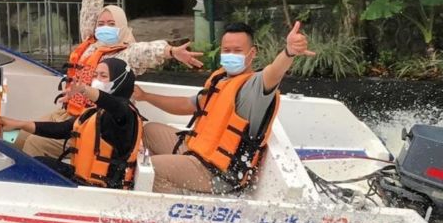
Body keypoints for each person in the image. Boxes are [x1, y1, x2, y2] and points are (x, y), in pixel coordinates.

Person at [16, 0, 203, 158]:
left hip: (95, 120)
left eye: (111, 23)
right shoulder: (90, 43)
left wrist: (170, 51)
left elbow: (146, 51)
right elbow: (89, 10)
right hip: (67, 112)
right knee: (21, 135)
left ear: (121, 27)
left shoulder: (124, 55)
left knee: (35, 144)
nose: (104, 27)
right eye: (101, 23)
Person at [133, 21, 315, 195]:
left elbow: (274, 73)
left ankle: (173, 211)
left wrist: (289, 52)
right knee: (147, 131)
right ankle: (170, 181)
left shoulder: (254, 88)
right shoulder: (221, 79)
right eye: (227, 50)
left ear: (252, 53)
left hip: (218, 173)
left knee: (154, 168)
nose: (231, 55)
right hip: (196, 150)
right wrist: (146, 97)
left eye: (237, 51)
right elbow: (187, 105)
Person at [0, 57, 142, 188]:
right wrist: (20, 124)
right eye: (95, 75)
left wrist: (84, 89)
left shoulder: (124, 114)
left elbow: (113, 104)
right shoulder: (96, 111)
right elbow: (63, 129)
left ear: (120, 81)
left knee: (35, 167)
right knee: (37, 163)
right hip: (80, 176)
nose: (97, 80)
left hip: (103, 186)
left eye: (103, 76)